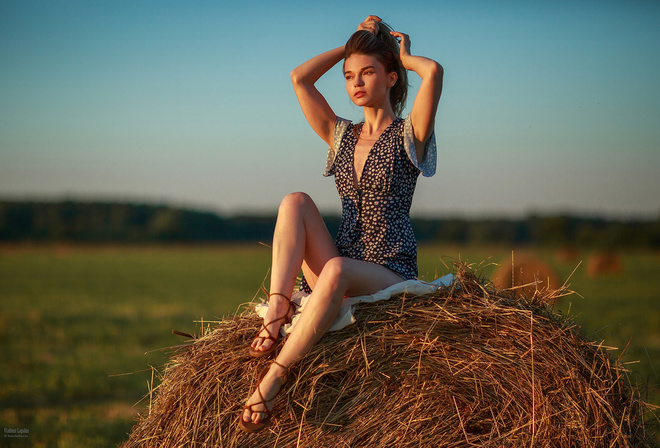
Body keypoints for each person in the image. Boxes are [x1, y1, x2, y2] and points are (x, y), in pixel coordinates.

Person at [239, 15, 443, 432]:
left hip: (389, 269)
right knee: (295, 201)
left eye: (368, 72)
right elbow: (300, 78)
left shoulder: (410, 134)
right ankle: (278, 306)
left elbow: (434, 72)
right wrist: (347, 47)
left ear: (390, 77)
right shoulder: (341, 135)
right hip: (342, 259)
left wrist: (403, 55)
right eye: (350, 75)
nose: (356, 82)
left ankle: (275, 375)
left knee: (336, 270)